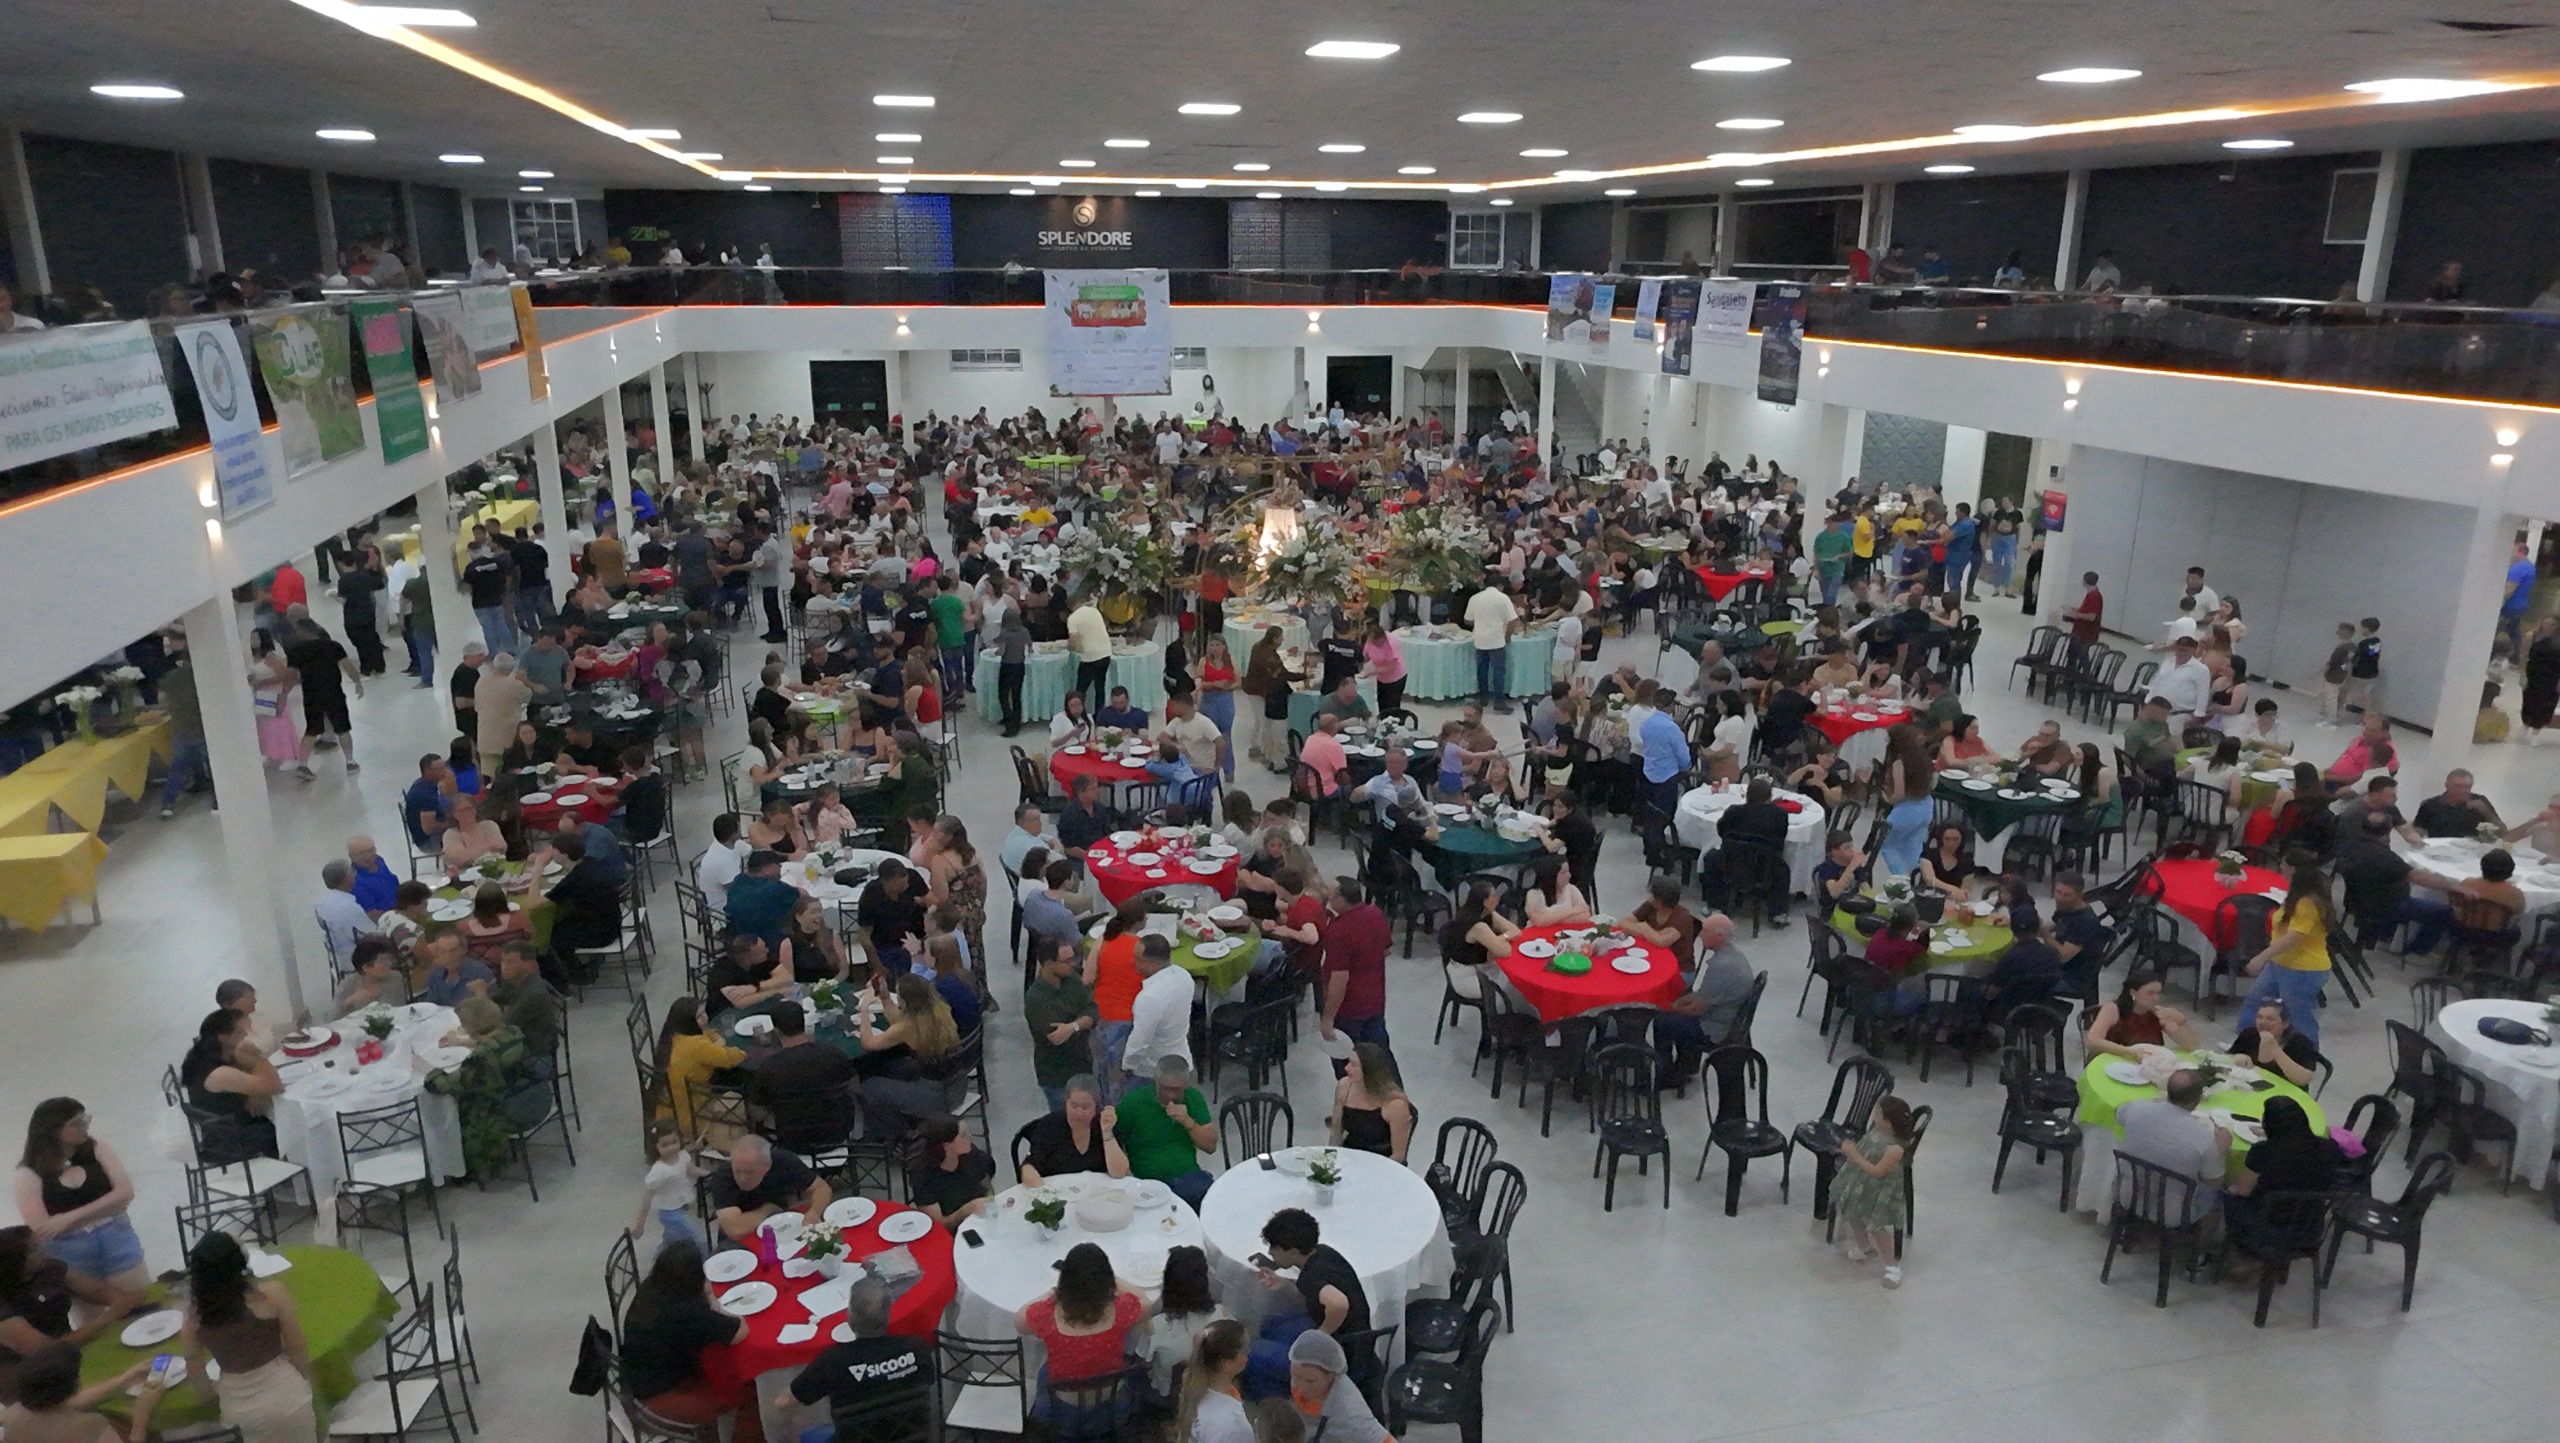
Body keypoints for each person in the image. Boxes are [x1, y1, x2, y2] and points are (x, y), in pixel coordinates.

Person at [615, 1242, 762, 1443]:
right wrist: (715, 1300)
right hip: (657, 1401)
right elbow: (740, 1331)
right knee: (748, 1392)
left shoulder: (651, 1288)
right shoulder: (687, 1311)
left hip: (635, 1382)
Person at [10, 1101, 145, 1319]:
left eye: (85, 1119)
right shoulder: (28, 1173)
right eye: (76, 1123)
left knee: (141, 1304)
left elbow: (125, 1192)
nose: (85, 1126)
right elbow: (43, 1229)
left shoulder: (96, 1147)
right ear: (53, 1130)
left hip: (117, 1237)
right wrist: (107, 1207)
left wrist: (69, 1217)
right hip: (70, 1253)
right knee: (94, 1320)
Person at [178, 1230, 316, 1443]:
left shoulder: (193, 1320)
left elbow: (197, 1378)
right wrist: (304, 1382)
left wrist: (214, 1393)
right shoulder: (270, 1294)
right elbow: (297, 1347)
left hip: (240, 1411)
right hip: (288, 1397)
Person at [778, 1276, 930, 1443]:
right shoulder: (917, 1348)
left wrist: (792, 1424)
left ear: (850, 1319)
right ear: (888, 1314)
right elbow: (928, 1380)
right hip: (911, 1437)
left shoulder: (833, 1361)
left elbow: (783, 1403)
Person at [1018, 1241, 1148, 1428]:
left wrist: (1051, 1294)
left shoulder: (1048, 1314)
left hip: (1064, 1410)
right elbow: (1144, 1300)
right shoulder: (1121, 1309)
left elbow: (1019, 1321)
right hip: (1112, 1404)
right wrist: (1114, 1278)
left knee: (1043, 1371)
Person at [2222, 1096, 2344, 1256]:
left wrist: (2222, 1155)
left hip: (2268, 1223)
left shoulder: (2264, 1151)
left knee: (2223, 1193)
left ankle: (2241, 1253)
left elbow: (2242, 1189)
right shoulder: (2329, 1147)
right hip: (2309, 1223)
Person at [2237, 858, 2336, 1048]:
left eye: (2285, 865)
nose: (2281, 867)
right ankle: (2245, 1045)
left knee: (2299, 1017)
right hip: (2280, 964)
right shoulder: (2297, 897)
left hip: (2302, 970)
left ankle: (2306, 1057)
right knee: (2255, 1002)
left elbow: (2292, 939)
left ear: (2294, 870)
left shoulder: (2307, 904)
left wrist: (2261, 957)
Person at [2114, 1070, 2227, 1222]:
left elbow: (2118, 1114)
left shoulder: (2136, 1108)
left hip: (2128, 1195)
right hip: (2173, 1214)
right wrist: (2223, 1151)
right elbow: (2214, 1182)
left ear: (2167, 1091)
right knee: (2218, 1194)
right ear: (2198, 1099)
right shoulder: (2205, 1138)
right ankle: (2201, 1243)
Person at [0, 1341, 167, 1443]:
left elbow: (68, 1404)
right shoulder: (89, 1426)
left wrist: (123, 1380)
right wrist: (141, 1416)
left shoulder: (14, 1415)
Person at [1831, 1094, 1916, 1289]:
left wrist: (1853, 1155)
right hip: (1862, 1183)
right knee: (1852, 1211)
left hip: (1879, 1189)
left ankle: (1892, 1266)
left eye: (1878, 1113)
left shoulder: (1895, 1149)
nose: (1873, 1115)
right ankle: (1864, 1246)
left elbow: (1878, 1172)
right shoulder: (1875, 1131)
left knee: (1876, 1227)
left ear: (1888, 1122)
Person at [747, 1005, 858, 1154]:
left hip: (792, 1142)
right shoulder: (834, 1054)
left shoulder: (768, 1068)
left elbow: (758, 1114)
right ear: (804, 1024)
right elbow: (854, 1087)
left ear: (777, 1031)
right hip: (836, 1135)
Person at [179, 1009, 283, 1164]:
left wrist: (252, 1093)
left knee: (272, 1114)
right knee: (287, 1128)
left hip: (220, 1128)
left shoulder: (204, 1054)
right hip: (231, 1141)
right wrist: (258, 1058)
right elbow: (274, 1086)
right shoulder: (218, 1073)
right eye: (240, 1032)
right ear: (223, 1037)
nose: (245, 1036)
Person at [1113, 1055, 1217, 1208]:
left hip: (1189, 1177)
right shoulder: (1133, 1102)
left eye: (1177, 1090)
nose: (1170, 1095)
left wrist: (1189, 1122)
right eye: (1165, 1088)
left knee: (1214, 1204)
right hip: (1148, 1181)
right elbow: (1114, 1139)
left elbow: (1211, 1146)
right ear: (1156, 1082)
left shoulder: (1193, 1098)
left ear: (1185, 1085)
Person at [706, 1135, 831, 1243]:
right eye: (737, 1171)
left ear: (767, 1166)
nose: (742, 1178)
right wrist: (768, 1209)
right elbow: (736, 1230)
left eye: (749, 1172)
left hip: (780, 1229)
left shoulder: (783, 1161)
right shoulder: (722, 1179)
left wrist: (814, 1212)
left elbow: (821, 1188)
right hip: (741, 1244)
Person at [1316, 878, 1391, 1056]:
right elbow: (1385, 950)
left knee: (1347, 1062)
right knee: (1379, 1057)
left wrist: (1328, 1018)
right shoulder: (1375, 913)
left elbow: (1339, 980)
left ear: (1341, 900)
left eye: (1331, 894)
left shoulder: (1339, 930)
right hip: (1375, 999)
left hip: (1349, 1007)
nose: (1327, 896)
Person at [1121, 937, 1194, 1093]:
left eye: (1137, 959)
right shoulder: (1184, 976)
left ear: (1151, 964)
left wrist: (1127, 1066)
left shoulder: (1149, 998)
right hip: (1180, 1056)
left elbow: (1139, 1041)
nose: (1133, 962)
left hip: (1151, 1070)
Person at [629, 1118, 709, 1258]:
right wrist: (640, 1223)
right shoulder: (659, 1171)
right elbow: (647, 1197)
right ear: (655, 1147)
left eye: (674, 1142)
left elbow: (690, 1169)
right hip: (669, 1212)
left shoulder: (682, 1155)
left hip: (681, 1206)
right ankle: (707, 1267)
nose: (671, 1147)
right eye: (665, 1145)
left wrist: (710, 1173)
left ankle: (658, 1260)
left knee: (671, 1239)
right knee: (699, 1239)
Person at [1327, 1041, 1416, 1162]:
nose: (1346, 1068)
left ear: (1368, 1070)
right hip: (1351, 1154)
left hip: (1382, 1161)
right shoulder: (1344, 1086)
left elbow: (1398, 1156)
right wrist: (1329, 1162)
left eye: (1353, 1065)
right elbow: (1336, 1131)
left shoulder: (1395, 1104)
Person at [2082, 970, 2200, 1060]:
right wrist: (2129, 1052)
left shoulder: (2158, 1013)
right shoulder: (2113, 1009)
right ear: (2133, 992)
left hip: (2144, 1063)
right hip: (2112, 1060)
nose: (2155, 998)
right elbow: (2092, 1040)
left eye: (2158, 993)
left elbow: (2191, 1045)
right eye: (2150, 993)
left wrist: (2181, 1021)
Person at [907, 1114, 995, 1229]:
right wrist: (965, 1211)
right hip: (952, 1232)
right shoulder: (923, 1177)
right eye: (963, 1136)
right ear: (946, 1145)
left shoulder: (972, 1155)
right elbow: (939, 1225)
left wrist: (990, 1206)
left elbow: (987, 1188)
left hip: (981, 1220)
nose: (970, 1137)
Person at [2231, 999, 2321, 1089]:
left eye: (2270, 1019)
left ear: (2285, 1024)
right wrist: (2238, 1057)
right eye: (2259, 1017)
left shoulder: (2301, 1043)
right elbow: (2228, 1057)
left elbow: (2304, 1079)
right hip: (2252, 1089)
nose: (2262, 1022)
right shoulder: (2249, 1034)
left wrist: (2276, 1051)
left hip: (2288, 1094)